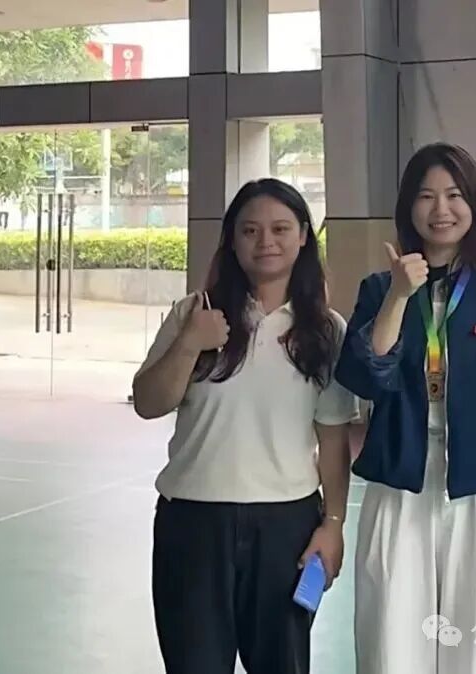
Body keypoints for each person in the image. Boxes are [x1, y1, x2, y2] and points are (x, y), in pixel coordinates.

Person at [132, 178, 359, 674]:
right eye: (250, 230)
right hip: (192, 524)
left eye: (280, 229)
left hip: (286, 528)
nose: (265, 242)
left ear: (303, 236)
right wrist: (190, 342)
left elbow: (333, 438)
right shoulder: (195, 313)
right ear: (232, 240)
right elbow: (148, 403)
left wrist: (333, 525)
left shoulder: (326, 330)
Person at [334, 142, 476, 674]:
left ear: (474, 205)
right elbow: (363, 376)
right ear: (409, 207)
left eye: (454, 195)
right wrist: (398, 296)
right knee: (391, 643)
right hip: (398, 484)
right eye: (426, 196)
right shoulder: (379, 288)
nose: (441, 209)